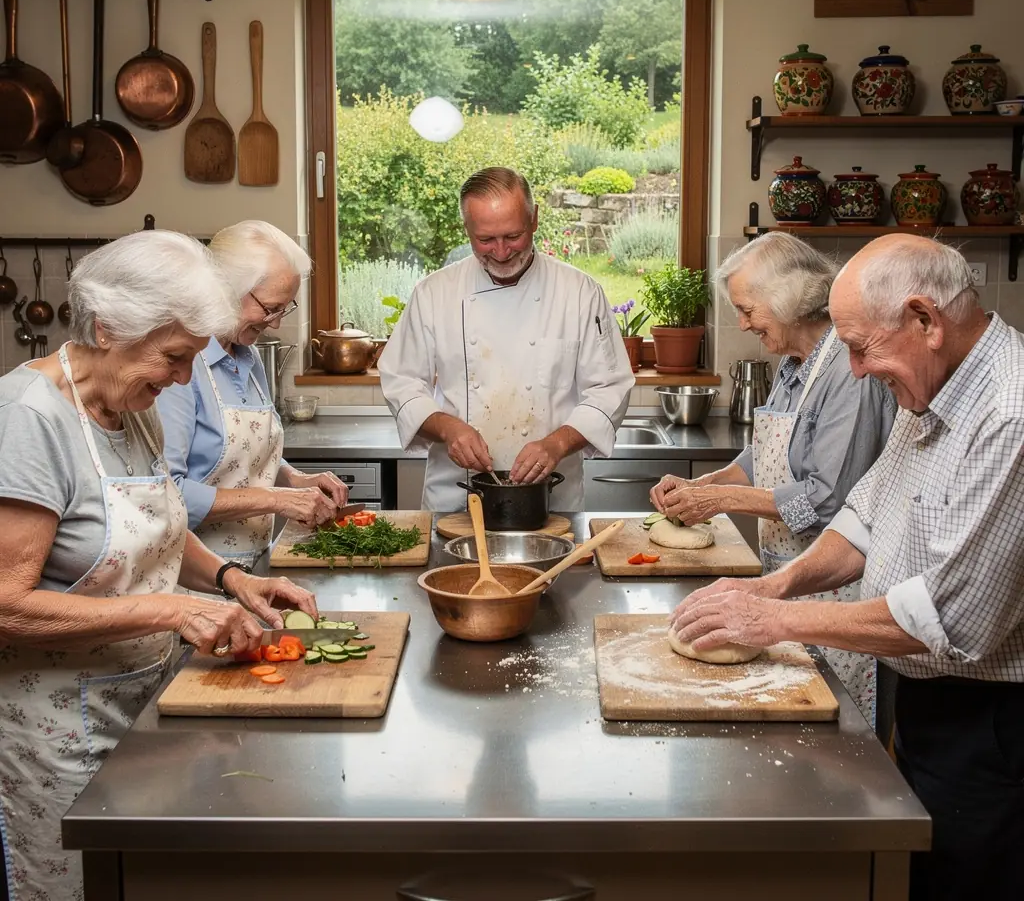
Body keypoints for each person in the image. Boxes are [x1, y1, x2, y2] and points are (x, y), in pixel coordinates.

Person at [669, 235, 1024, 901]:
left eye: (862, 348)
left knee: (969, 880)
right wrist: (773, 584)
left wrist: (774, 617)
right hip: (932, 703)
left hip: (993, 724)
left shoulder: (1008, 415)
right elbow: (862, 517)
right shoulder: (931, 392)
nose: (855, 372)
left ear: (924, 319)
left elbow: (944, 620)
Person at [0, 231, 319, 901]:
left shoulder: (131, 407)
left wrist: (233, 578)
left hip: (150, 702)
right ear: (110, 329)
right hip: (62, 729)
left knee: (156, 883)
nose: (181, 380)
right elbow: (7, 603)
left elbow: (162, 529)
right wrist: (173, 609)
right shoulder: (27, 421)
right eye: (174, 357)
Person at [651, 232, 895, 723]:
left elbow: (824, 502)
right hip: (787, 576)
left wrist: (719, 500)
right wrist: (705, 487)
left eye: (747, 309)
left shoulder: (847, 373)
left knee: (837, 732)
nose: (741, 325)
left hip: (839, 591)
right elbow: (765, 453)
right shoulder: (792, 364)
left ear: (788, 300)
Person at [378, 166, 633, 511]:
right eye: (485, 240)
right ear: (466, 229)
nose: (500, 252)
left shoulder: (580, 293)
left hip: (552, 497)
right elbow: (401, 381)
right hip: (455, 494)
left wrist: (557, 443)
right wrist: (448, 428)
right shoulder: (434, 294)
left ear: (535, 219)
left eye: (513, 236)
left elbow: (610, 388)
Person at [157, 221, 349, 570]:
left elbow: (249, 459)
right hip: (197, 578)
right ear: (226, 289)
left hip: (256, 564)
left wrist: (294, 479)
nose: (275, 323)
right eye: (270, 308)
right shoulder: (181, 366)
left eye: (284, 309)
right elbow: (168, 493)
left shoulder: (248, 355)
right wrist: (277, 499)